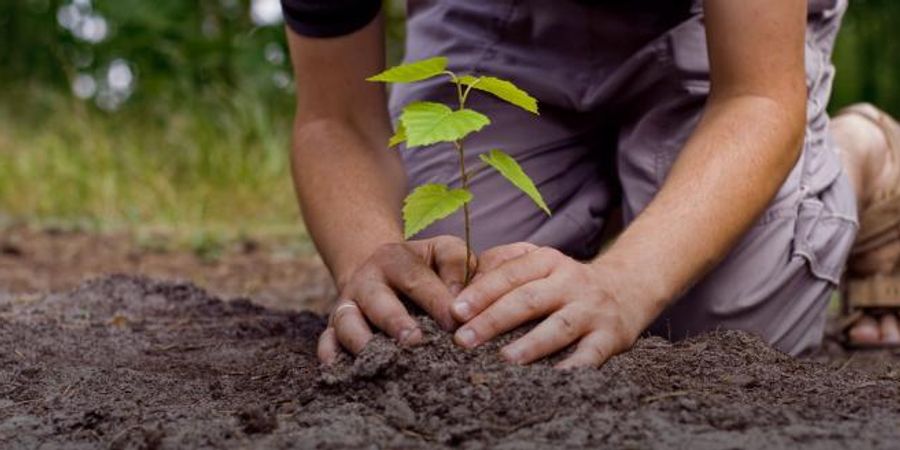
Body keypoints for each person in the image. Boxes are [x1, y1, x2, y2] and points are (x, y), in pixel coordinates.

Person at [282, 0, 900, 368]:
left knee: (721, 326)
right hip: (493, 12)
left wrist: (627, 282)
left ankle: (862, 157)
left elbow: (758, 95)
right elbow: (335, 118)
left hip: (722, 22)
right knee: (454, 295)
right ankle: (627, 190)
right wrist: (367, 255)